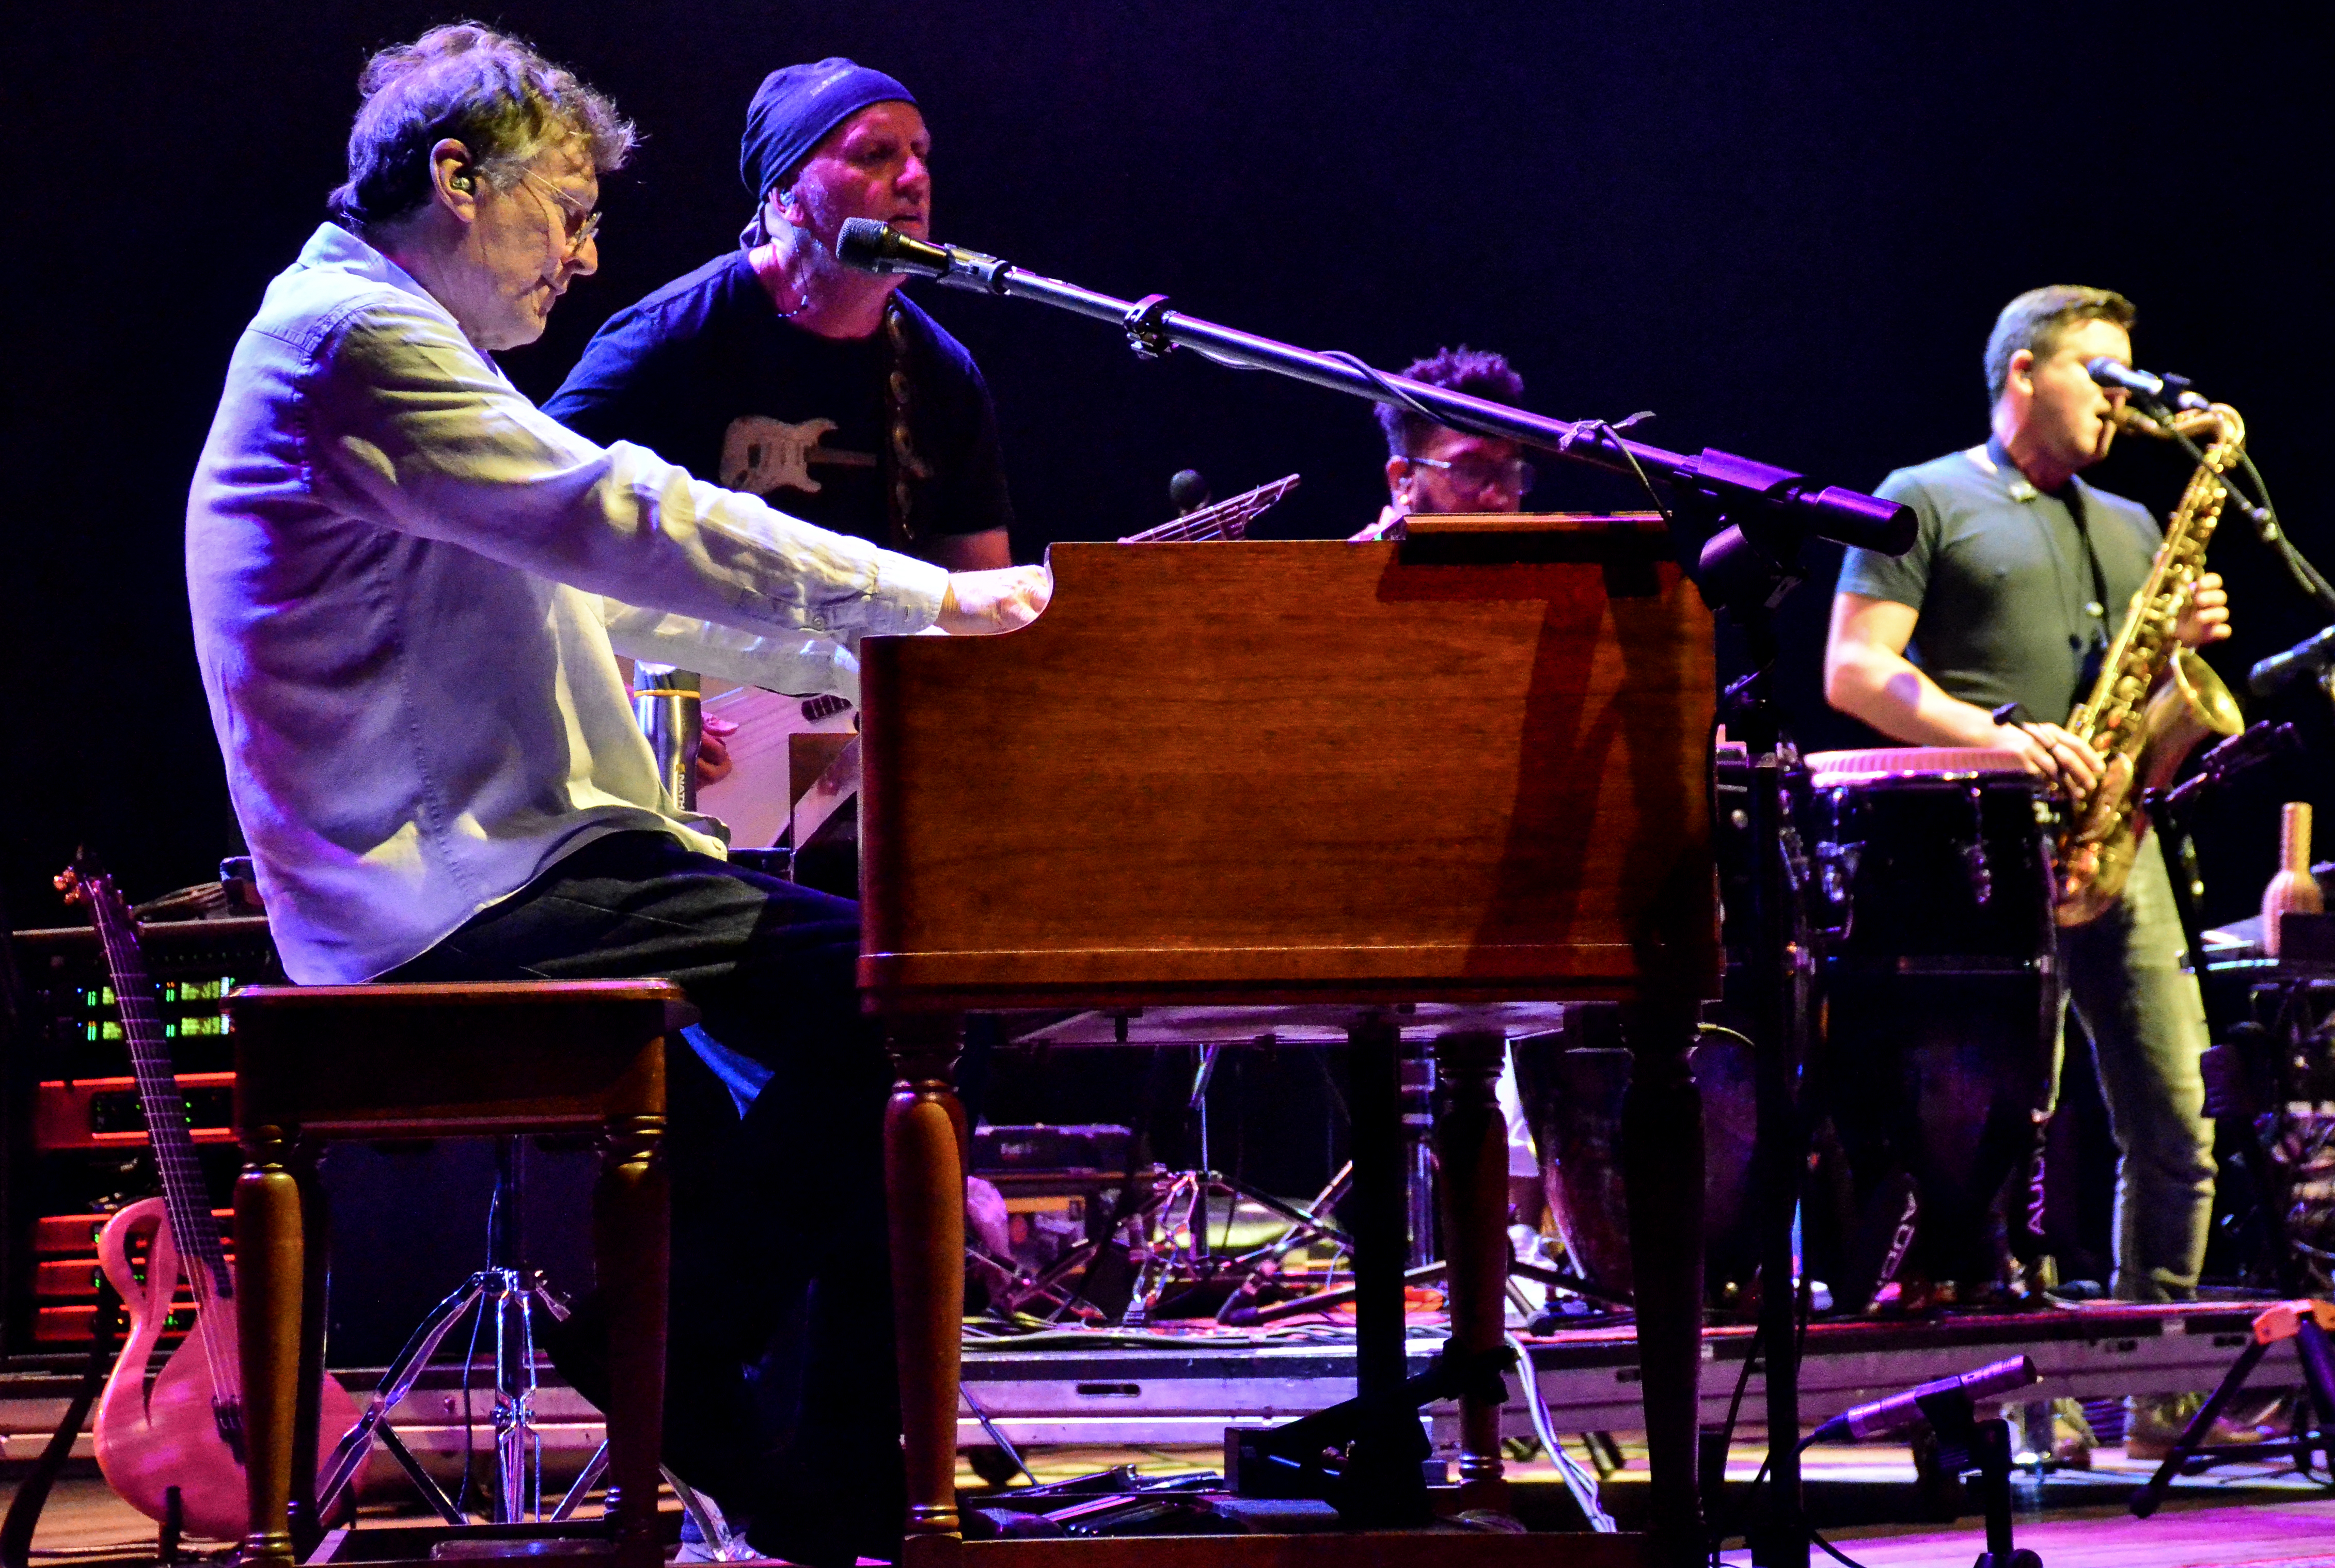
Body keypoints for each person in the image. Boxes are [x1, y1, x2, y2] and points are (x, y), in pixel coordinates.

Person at [183, 27, 1048, 1564]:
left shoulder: (378, 336)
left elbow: (617, 607)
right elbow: (621, 520)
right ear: (455, 179)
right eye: (565, 210)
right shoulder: (350, 342)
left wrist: (900, 656)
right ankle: (733, 1412)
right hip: (455, 892)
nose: (583, 257)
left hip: (525, 863)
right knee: (886, 999)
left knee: (867, 1023)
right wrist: (946, 608)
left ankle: (821, 1480)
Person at [1823, 286, 2229, 1308]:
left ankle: (2160, 1392)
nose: (2121, 402)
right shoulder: (1920, 495)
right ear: (2021, 372)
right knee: (2009, 1130)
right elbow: (1854, 670)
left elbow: (2140, 700)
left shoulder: (2135, 524)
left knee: (2180, 1121)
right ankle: (2021, 1396)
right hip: (1981, 850)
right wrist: (1999, 741)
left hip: (2117, 838)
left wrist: (2177, 660)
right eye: (2101, 375)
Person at [545, 58, 1012, 571]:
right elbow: (532, 505)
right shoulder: (666, 340)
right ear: (786, 195)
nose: (914, 178)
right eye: (876, 154)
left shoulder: (944, 376)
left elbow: (983, 602)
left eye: (920, 153)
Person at [1357, 344, 1538, 540]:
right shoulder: (1350, 568)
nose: (1497, 499)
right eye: (1470, 471)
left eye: (1509, 473)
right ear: (1404, 479)